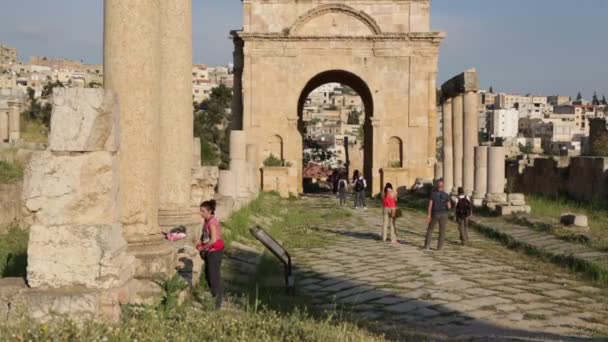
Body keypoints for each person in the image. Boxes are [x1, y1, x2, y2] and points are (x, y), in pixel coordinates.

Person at [196, 200, 224, 309]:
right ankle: (215, 298)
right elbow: (206, 237)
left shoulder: (212, 222)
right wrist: (201, 243)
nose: (201, 213)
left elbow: (213, 240)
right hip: (210, 252)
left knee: (213, 278)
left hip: (214, 252)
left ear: (209, 211)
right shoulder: (207, 221)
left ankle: (217, 304)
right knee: (209, 277)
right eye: (200, 211)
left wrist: (203, 247)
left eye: (203, 211)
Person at [424, 179, 451, 251]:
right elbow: (449, 206)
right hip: (444, 214)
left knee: (430, 229)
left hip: (435, 213)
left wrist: (428, 215)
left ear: (437, 185)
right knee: (442, 231)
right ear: (443, 185)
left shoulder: (433, 194)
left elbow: (430, 205)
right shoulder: (447, 195)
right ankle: (439, 247)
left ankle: (427, 246)